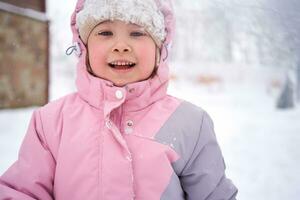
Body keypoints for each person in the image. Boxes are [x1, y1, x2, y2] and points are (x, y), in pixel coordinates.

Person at [0, 0, 238, 199]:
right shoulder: (51, 122)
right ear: (83, 47)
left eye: (137, 33)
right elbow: (23, 192)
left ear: (160, 48)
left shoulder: (189, 123)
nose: (121, 46)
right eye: (105, 32)